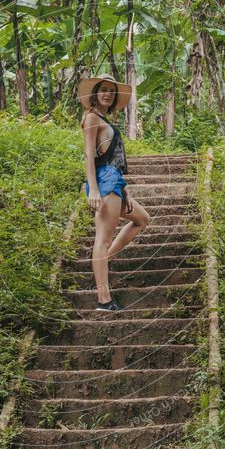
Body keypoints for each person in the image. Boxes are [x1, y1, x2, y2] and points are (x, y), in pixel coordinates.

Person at [78, 74, 151, 311]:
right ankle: (104, 300)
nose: (108, 94)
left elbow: (112, 161)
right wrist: (93, 190)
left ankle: (103, 262)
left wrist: (125, 190)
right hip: (103, 182)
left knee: (142, 219)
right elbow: (90, 155)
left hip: (114, 180)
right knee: (103, 238)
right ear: (95, 94)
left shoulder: (102, 119)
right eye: (103, 90)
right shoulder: (91, 118)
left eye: (112, 91)